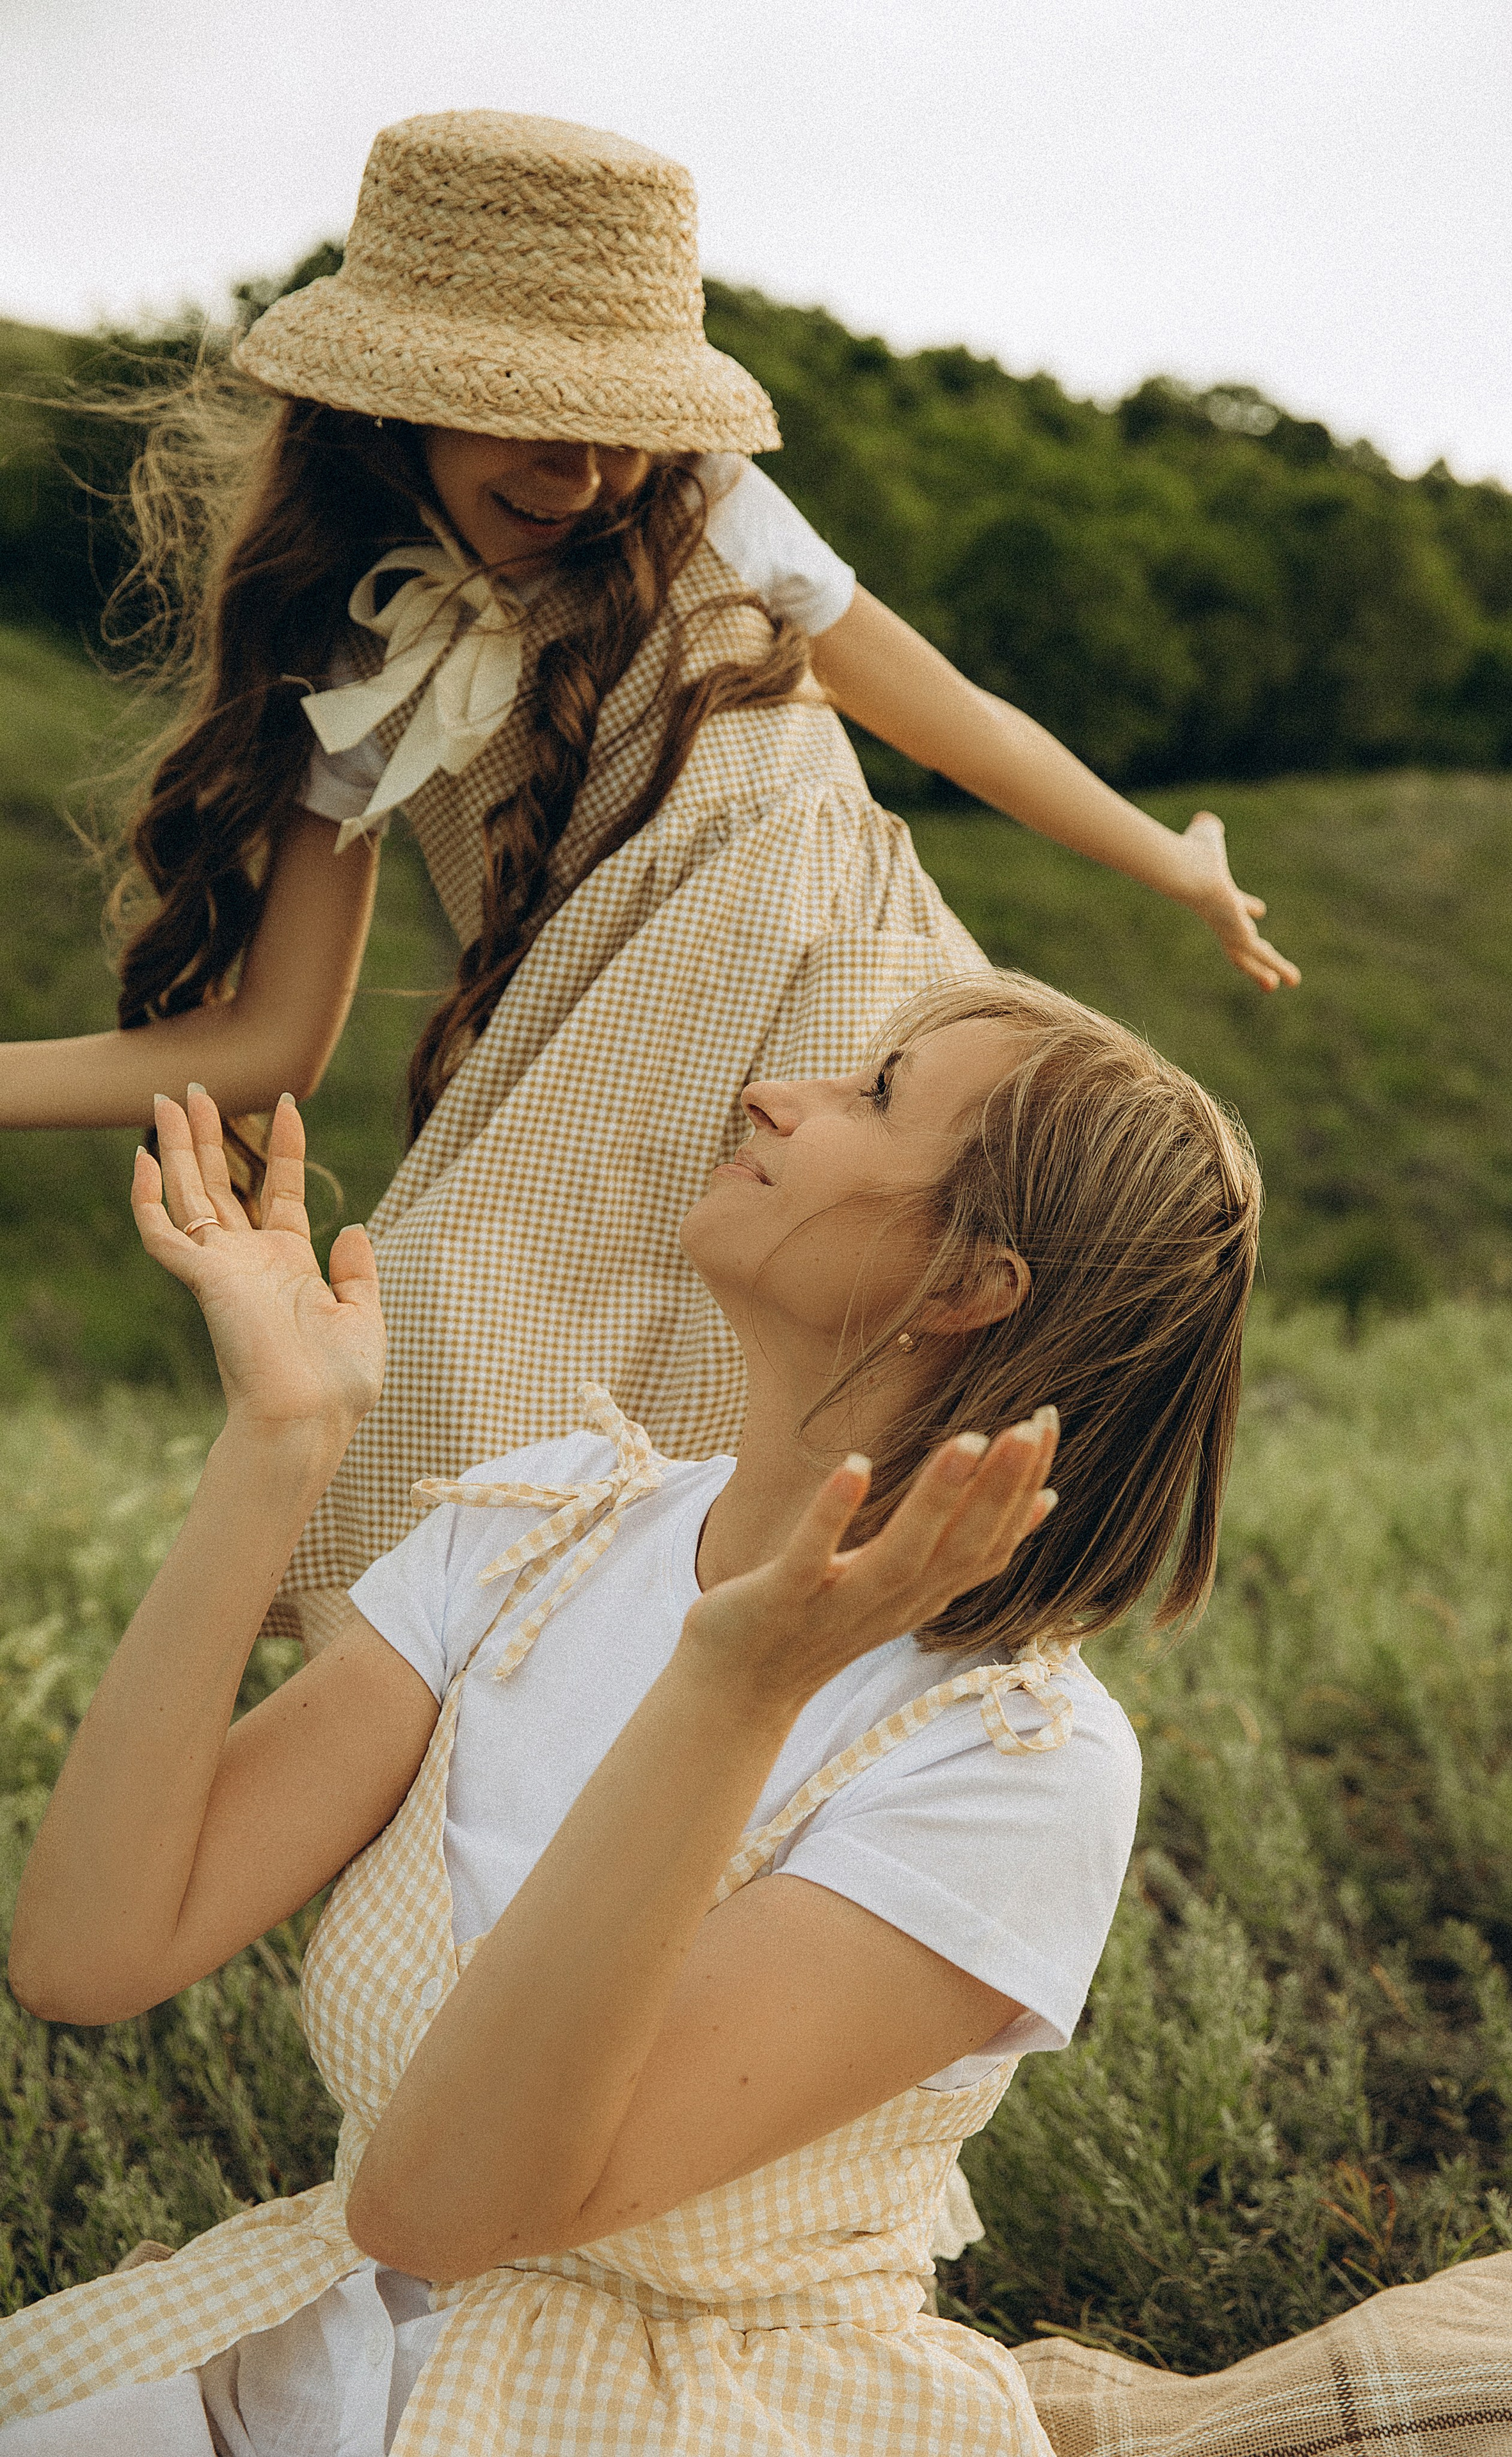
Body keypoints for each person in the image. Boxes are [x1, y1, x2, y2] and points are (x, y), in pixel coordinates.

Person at [0, 111, 1296, 1650]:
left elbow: (970, 731)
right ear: (387, 406)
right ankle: (471, 1813)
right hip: (613, 1074)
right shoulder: (352, 655)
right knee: (454, 1377)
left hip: (850, 1023)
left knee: (844, 1453)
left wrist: (1180, 866)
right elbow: (268, 1046)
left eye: (620, 422)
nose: (586, 471)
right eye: (526, 419)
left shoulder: (714, 510)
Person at [0, 970, 1259, 2454]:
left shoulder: (1009, 1760)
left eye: (874, 1096)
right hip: (299, 2372)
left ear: (970, 1284)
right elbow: (88, 1953)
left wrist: (732, 1687)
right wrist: (281, 1441)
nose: (771, 1090)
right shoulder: (536, 1533)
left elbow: (443, 2205)